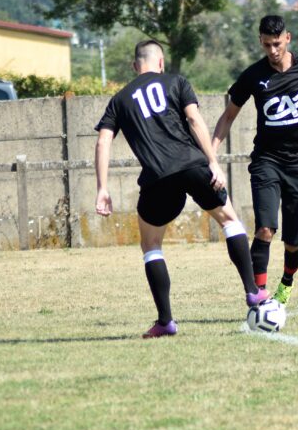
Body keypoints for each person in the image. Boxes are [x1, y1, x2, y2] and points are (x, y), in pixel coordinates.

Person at [94, 40, 269, 338]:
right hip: (192, 165)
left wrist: (102, 188)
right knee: (229, 220)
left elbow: (103, 141)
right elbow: (193, 119)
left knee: (151, 246)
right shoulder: (176, 81)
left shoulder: (119, 99)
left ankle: (165, 321)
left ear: (136, 66)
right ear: (161, 63)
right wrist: (213, 161)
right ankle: (253, 291)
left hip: (157, 178)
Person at [211, 15, 298, 308]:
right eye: (266, 45)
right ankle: (258, 298)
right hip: (267, 161)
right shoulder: (253, 75)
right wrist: (211, 156)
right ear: (260, 42)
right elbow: (227, 117)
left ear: (288, 38)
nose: (272, 50)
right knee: (264, 229)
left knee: (292, 242)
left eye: (276, 43)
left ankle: (286, 283)